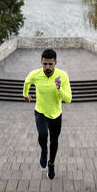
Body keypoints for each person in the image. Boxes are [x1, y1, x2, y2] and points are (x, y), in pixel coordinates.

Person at [23, 49, 72, 180]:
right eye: (45, 64)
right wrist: (25, 95)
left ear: (55, 62)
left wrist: (59, 88)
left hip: (56, 114)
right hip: (40, 112)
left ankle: (51, 164)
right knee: (43, 134)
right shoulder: (35, 74)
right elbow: (27, 82)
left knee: (54, 141)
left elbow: (68, 99)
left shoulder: (63, 75)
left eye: (50, 64)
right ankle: (43, 151)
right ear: (41, 62)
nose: (47, 67)